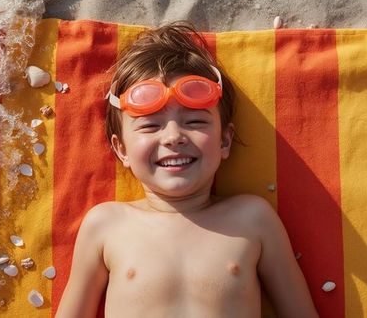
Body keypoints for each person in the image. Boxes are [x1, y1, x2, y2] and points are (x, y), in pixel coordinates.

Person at [56, 22, 318, 318]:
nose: (173, 136)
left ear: (224, 140)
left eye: (194, 122)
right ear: (122, 149)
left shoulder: (253, 218)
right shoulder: (106, 225)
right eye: (151, 125)